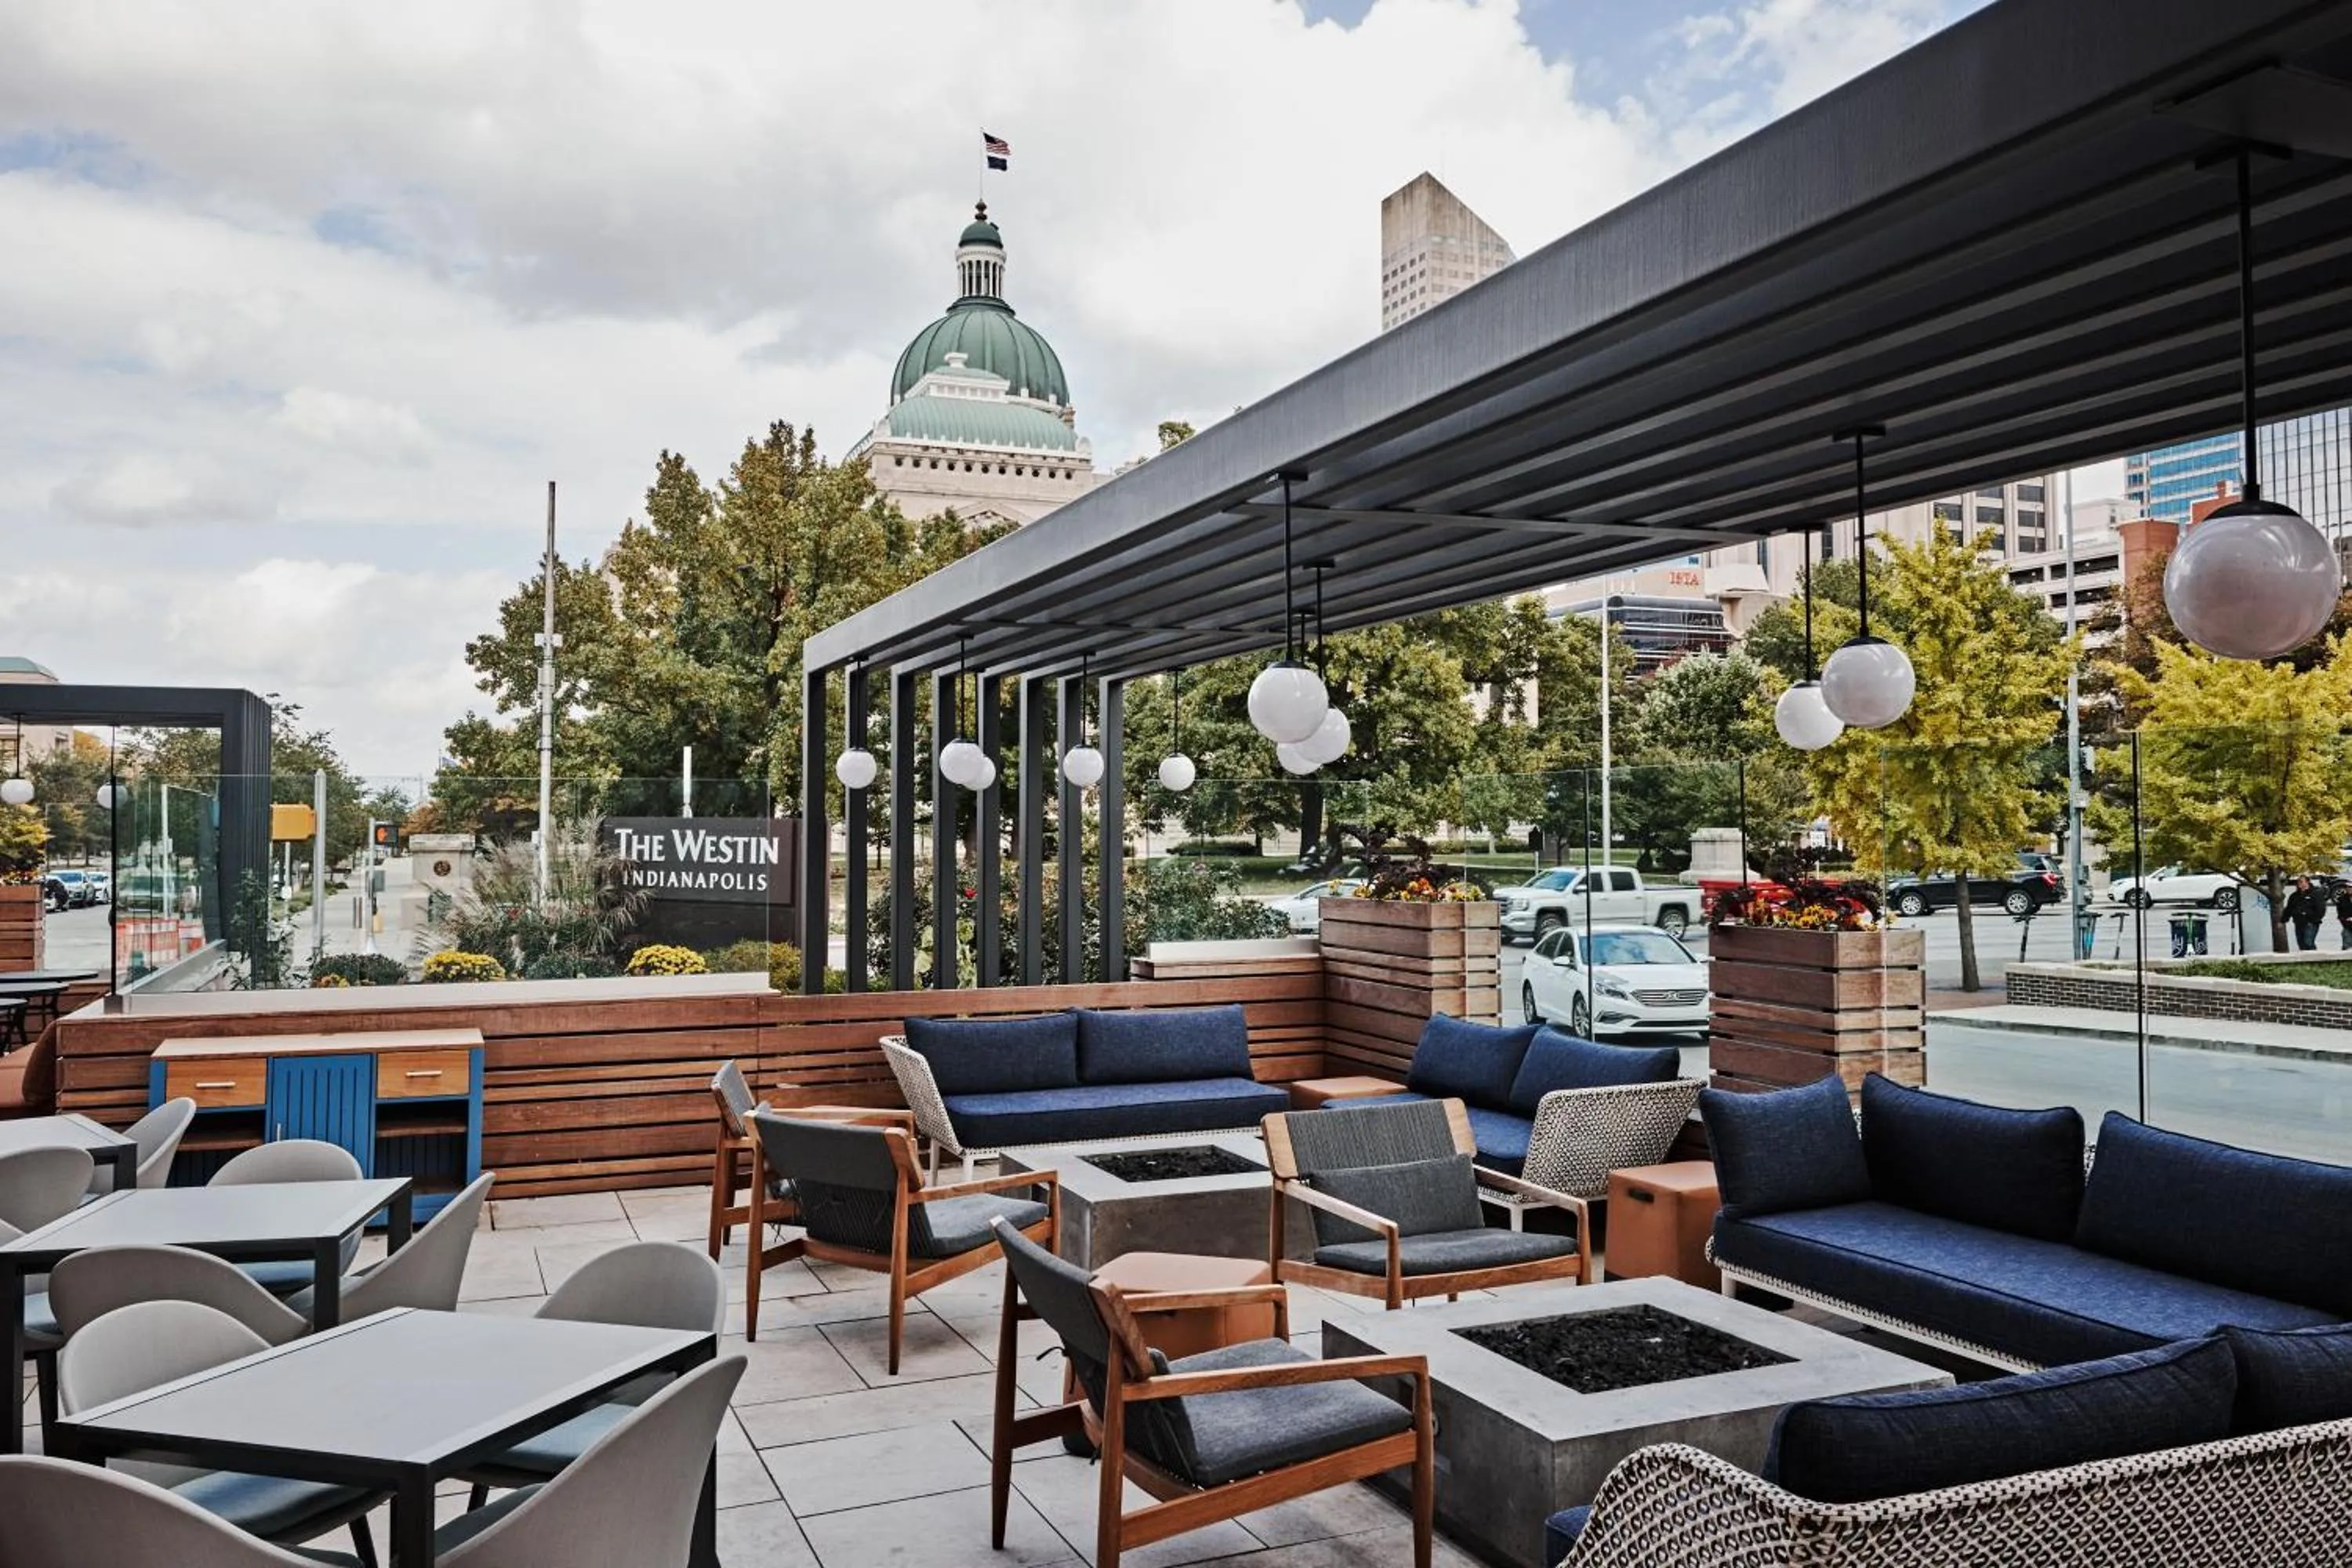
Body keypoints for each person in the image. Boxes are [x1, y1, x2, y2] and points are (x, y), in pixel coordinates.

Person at [2285, 875, 2328, 951]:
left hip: (2311, 923)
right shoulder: (2294, 896)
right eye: (2298, 882)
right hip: (2299, 923)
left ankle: (2314, 959)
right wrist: (2284, 918)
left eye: (2301, 882)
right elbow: (2289, 908)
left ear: (2307, 882)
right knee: (2301, 943)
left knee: (2308, 942)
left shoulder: (2315, 893)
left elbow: (2321, 909)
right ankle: (2305, 960)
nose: (2299, 884)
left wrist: (2314, 919)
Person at [2336, 880, 2352, 952]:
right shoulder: (2342, 899)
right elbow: (2340, 914)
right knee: (2347, 945)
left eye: (2351, 887)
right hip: (2347, 926)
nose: (2349, 889)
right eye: (2347, 887)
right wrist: (2345, 921)